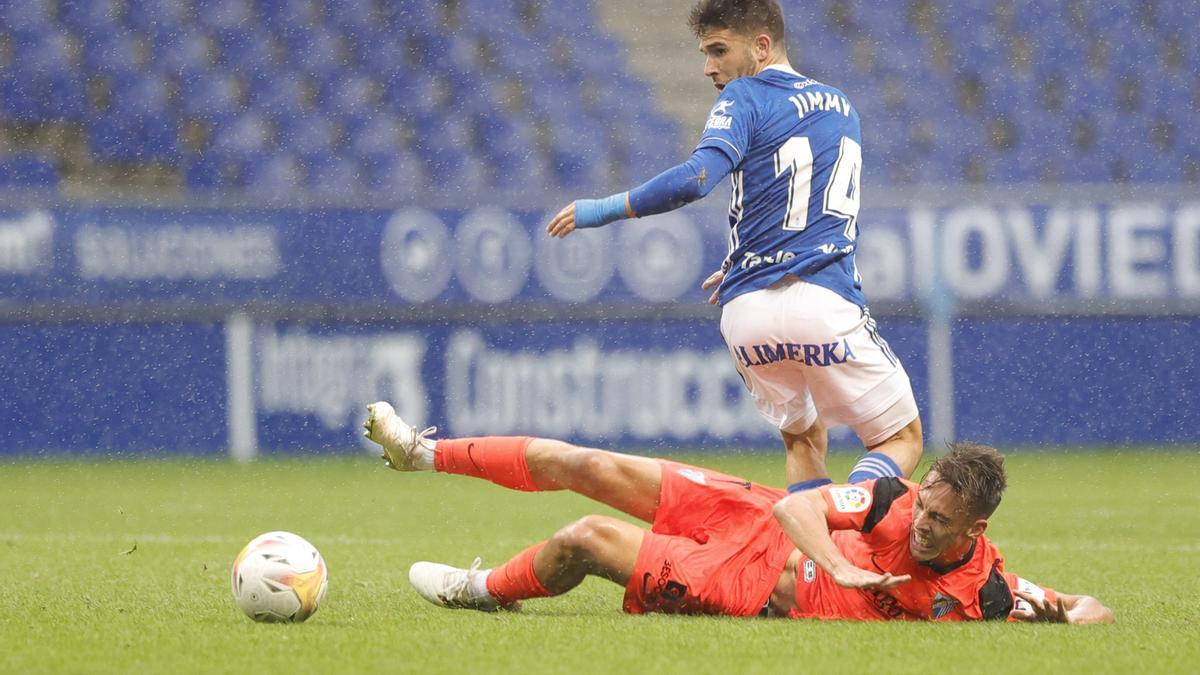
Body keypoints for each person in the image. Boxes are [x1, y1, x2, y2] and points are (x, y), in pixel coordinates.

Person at [545, 0, 922, 494]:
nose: (709, 67)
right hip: (822, 299)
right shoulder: (842, 105)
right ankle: (849, 523)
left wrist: (603, 209)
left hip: (747, 316)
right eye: (706, 53)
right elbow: (806, 207)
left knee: (803, 441)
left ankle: (813, 563)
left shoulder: (744, 97)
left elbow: (699, 176)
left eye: (719, 50)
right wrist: (757, 255)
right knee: (900, 438)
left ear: (761, 46)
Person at [362, 402, 1112, 624]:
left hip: (744, 585)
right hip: (753, 514)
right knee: (586, 464)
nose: (922, 522)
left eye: (939, 523)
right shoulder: (891, 500)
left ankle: (483, 590)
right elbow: (803, 509)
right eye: (926, 504)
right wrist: (845, 566)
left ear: (973, 531)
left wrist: (1075, 617)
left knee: (584, 539)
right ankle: (422, 454)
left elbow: (1086, 609)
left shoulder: (981, 595)